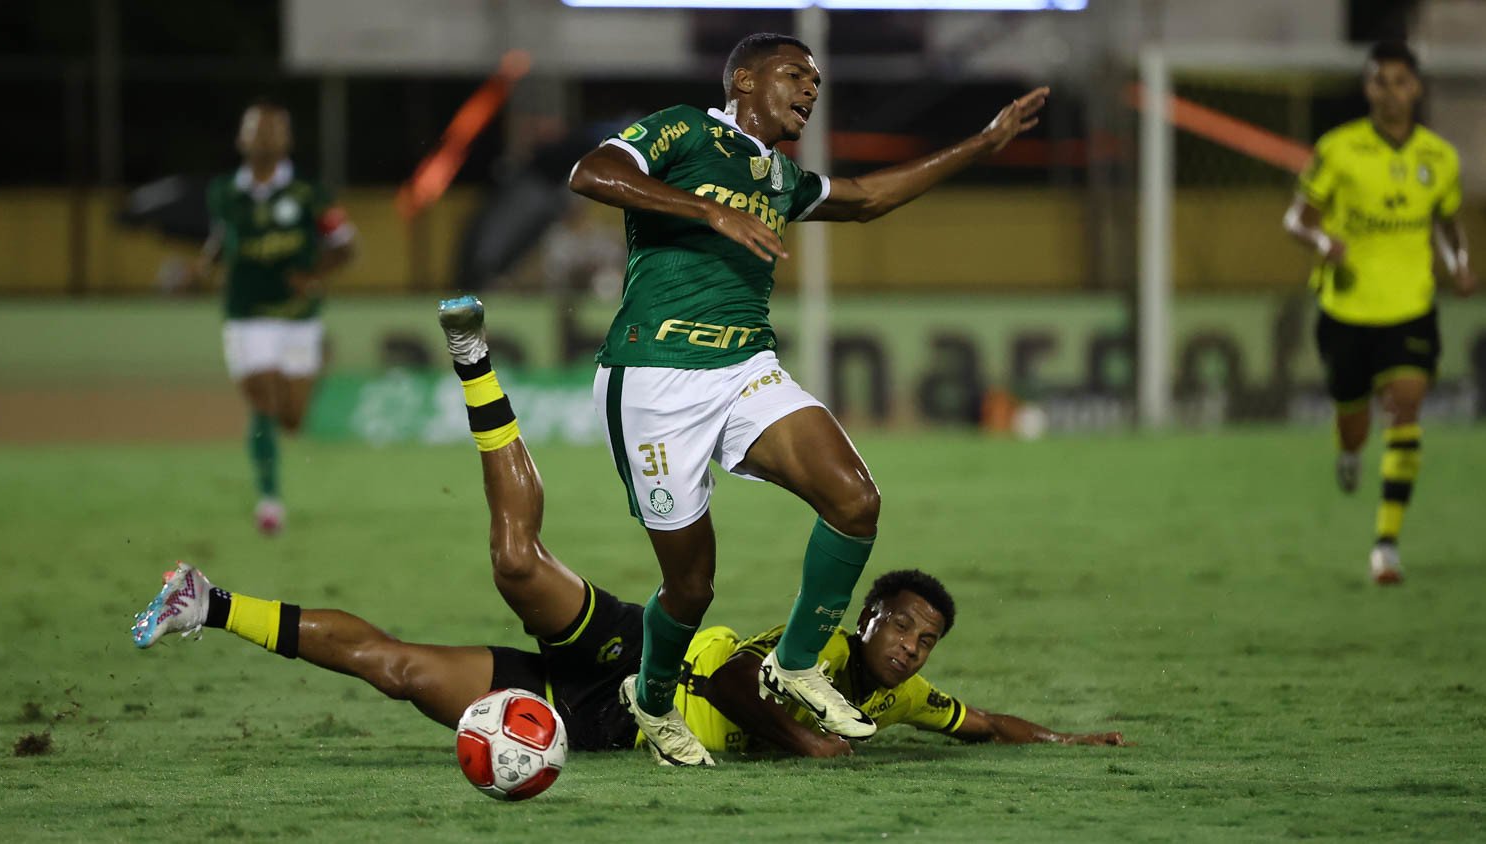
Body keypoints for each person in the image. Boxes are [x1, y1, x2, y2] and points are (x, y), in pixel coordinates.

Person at [130, 296, 1126, 761]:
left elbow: (985, 722)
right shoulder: (809, 650)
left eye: (925, 641)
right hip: (648, 657)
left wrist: (1074, 737)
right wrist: (805, 748)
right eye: (902, 625)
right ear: (862, 618)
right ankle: (477, 362)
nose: (910, 647)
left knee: (396, 670)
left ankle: (205, 602)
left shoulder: (900, 698)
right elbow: (739, 680)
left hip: (595, 722)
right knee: (518, 565)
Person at [567, 32, 1049, 763]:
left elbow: (866, 198)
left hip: (743, 368)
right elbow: (591, 171)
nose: (809, 93)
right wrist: (708, 211)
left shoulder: (779, 175)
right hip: (653, 377)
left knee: (856, 500)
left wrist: (982, 143)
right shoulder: (687, 130)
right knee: (690, 588)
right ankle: (655, 698)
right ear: (746, 80)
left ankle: (792, 664)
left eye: (816, 85)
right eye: (796, 76)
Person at [1282, 42, 1475, 585]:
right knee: (1353, 421)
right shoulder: (1338, 149)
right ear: (1367, 89)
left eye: (1400, 81)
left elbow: (1448, 220)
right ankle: (1348, 453)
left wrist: (1459, 263)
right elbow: (1297, 218)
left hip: (1410, 306)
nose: (1390, 92)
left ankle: (1386, 544)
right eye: (1379, 82)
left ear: (1416, 88)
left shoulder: (1439, 158)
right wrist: (1321, 241)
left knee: (1407, 406)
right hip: (1346, 306)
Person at [193, 99, 357, 535]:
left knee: (292, 419)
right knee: (261, 401)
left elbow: (345, 245)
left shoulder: (309, 193)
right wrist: (203, 268)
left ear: (287, 139)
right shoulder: (224, 192)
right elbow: (221, 240)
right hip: (245, 313)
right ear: (241, 139)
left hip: (298, 316)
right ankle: (269, 501)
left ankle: (319, 361)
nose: (264, 137)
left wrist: (314, 275)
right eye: (256, 129)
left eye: (273, 129)